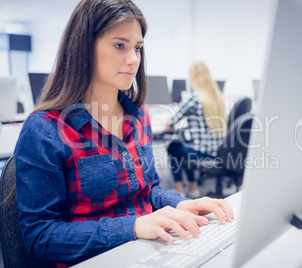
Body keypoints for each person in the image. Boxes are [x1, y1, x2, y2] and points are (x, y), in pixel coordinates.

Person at [13, 1, 233, 266]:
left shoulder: (138, 116)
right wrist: (134, 226)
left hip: (146, 251)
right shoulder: (45, 130)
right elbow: (41, 236)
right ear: (84, 47)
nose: (134, 59)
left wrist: (180, 203)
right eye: (120, 46)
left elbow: (147, 190)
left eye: (137, 48)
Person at [166, 61, 226, 198]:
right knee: (186, 145)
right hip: (216, 151)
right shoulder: (217, 98)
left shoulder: (194, 98)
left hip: (202, 153)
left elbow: (171, 122)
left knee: (173, 148)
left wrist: (161, 120)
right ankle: (193, 188)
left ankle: (179, 191)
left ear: (193, 77)